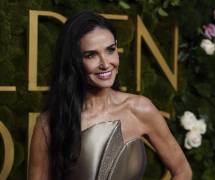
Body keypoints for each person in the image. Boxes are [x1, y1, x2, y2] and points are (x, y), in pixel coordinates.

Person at [28, 11, 192, 180]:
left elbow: (183, 171)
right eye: (91, 55)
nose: (105, 64)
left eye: (110, 50)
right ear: (73, 61)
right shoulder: (49, 123)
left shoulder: (140, 109)